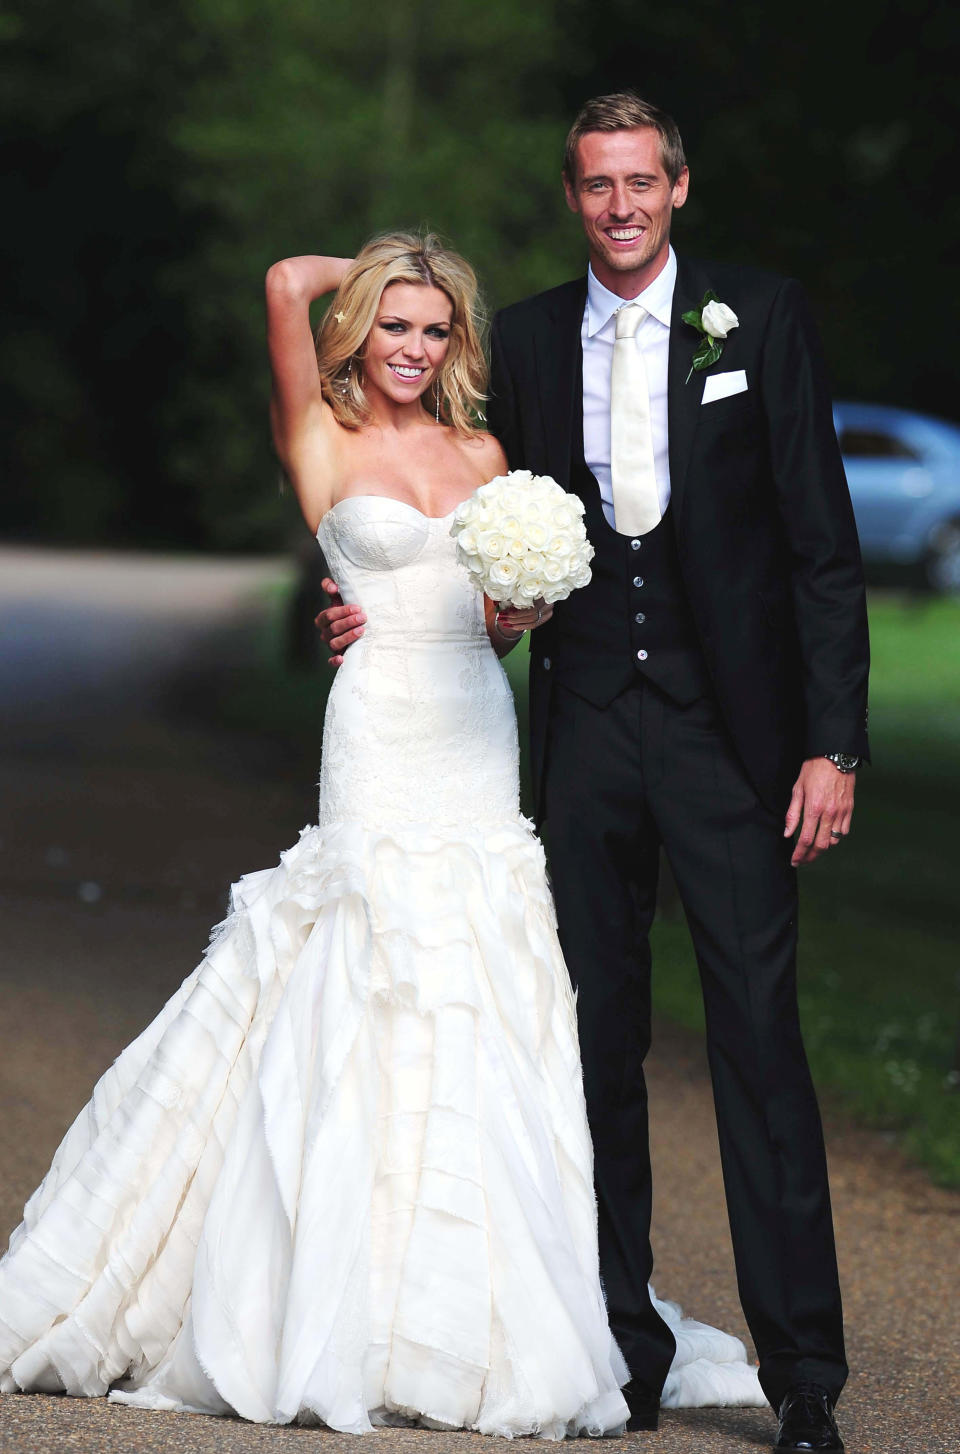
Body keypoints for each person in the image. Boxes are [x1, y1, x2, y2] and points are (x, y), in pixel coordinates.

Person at [0, 231, 763, 1437]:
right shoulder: (321, 433)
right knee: (365, 964)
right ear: (359, 329)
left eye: (434, 328)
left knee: (480, 974)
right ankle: (332, 1287)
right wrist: (381, 259)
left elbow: (507, 619)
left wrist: (514, 615)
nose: (412, 348)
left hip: (473, 718)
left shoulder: (487, 451)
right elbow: (280, 284)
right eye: (392, 324)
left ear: (459, 341)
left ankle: (467, 1293)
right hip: (378, 727)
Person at [321, 98, 870, 1454]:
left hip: (732, 743)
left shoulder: (762, 315)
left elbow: (821, 545)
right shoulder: (518, 336)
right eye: (595, 185)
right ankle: (617, 1348)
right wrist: (373, 607)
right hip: (586, 740)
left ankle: (805, 1374)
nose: (619, 206)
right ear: (573, 197)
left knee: (758, 1042)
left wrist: (832, 742)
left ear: (679, 187)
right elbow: (474, 509)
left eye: (641, 182)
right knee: (592, 1048)